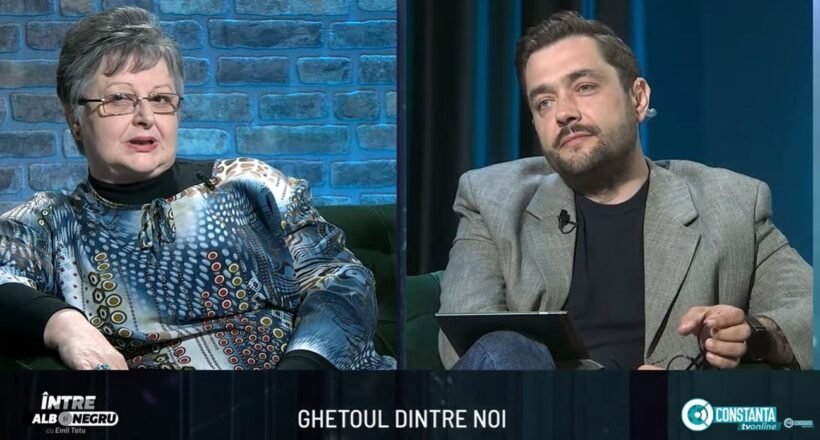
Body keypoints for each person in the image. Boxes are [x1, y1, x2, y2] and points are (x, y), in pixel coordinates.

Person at [0, 7, 395, 371]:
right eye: (119, 99)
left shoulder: (248, 185)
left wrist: (300, 376)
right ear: (74, 116)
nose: (145, 117)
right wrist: (66, 325)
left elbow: (341, 280)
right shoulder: (52, 224)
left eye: (161, 99)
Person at [438, 11, 811, 370]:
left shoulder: (731, 202)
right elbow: (469, 346)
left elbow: (809, 310)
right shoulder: (492, 199)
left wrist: (756, 336)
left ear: (638, 98)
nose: (563, 113)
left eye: (584, 87)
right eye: (544, 102)